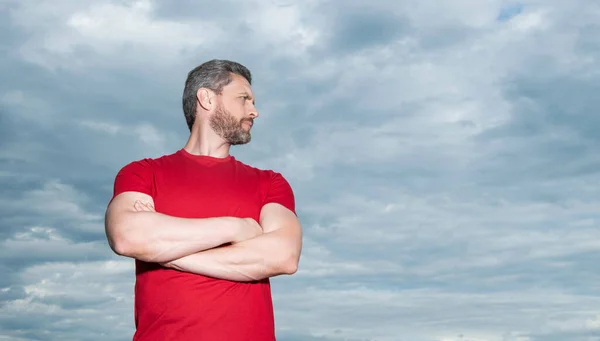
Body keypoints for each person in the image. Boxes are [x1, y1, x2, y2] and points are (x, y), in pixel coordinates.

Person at [104, 59, 303, 341]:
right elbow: (127, 237)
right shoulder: (143, 172)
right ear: (207, 98)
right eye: (243, 99)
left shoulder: (269, 182)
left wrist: (166, 254)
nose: (254, 111)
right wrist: (236, 228)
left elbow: (283, 256)